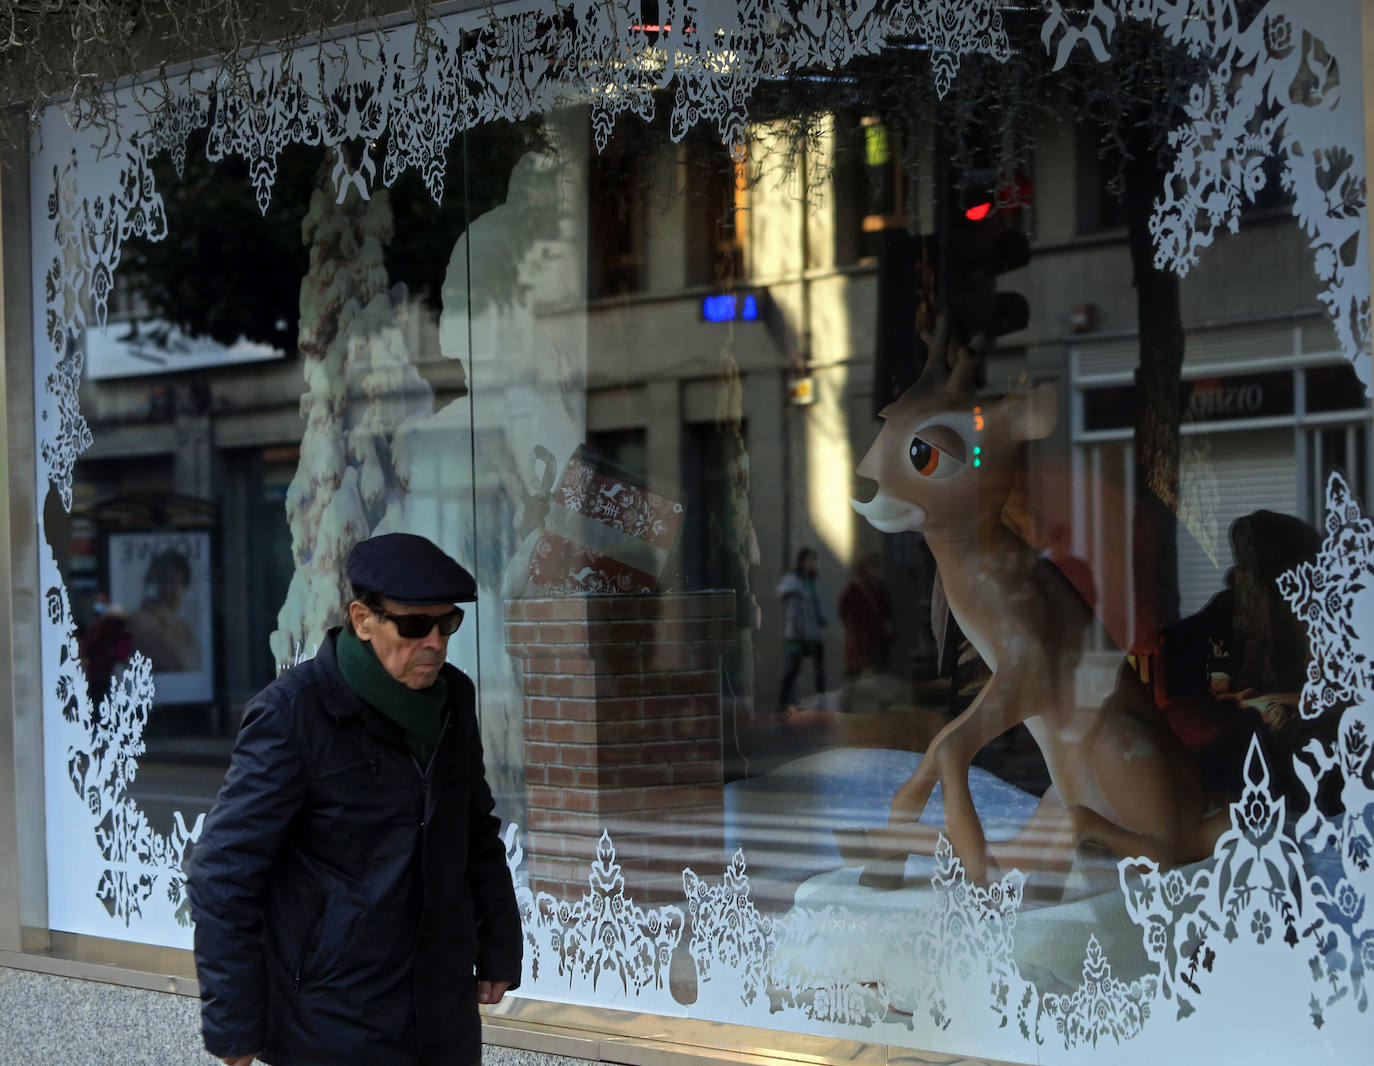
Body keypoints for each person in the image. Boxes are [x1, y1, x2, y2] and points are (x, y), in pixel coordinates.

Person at [188, 532, 523, 1066]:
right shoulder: (292, 715)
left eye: (448, 623)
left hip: (442, 1013)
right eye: (415, 626)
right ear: (362, 619)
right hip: (332, 1019)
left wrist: (498, 944)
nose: (435, 642)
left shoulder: (453, 699)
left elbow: (475, 829)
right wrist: (235, 1026)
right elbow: (223, 875)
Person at [125, 548, 201, 673]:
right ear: (156, 585)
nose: (174, 590)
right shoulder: (142, 621)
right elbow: (181, 661)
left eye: (180, 583)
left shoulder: (184, 627)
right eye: (168, 582)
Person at [777, 546, 828, 711]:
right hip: (798, 634)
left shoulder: (812, 583)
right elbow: (793, 609)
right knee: (793, 669)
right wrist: (796, 630)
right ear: (802, 562)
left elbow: (817, 605)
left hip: (813, 633)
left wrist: (821, 618)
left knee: (819, 669)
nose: (812, 564)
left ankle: (822, 702)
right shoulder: (794, 582)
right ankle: (782, 703)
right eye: (809, 560)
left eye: (814, 561)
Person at [837, 552, 892, 677]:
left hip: (865, 634)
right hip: (865, 634)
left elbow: (842, 609)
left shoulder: (870, 585)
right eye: (874, 566)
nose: (875, 570)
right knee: (869, 668)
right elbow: (844, 608)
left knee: (866, 668)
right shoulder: (858, 585)